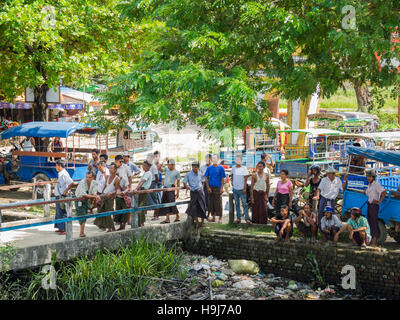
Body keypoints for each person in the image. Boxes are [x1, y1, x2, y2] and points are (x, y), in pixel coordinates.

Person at [360, 169, 386, 247]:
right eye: (367, 176)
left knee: (374, 223)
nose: (368, 178)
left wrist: (379, 202)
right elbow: (367, 193)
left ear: (373, 177)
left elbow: (383, 192)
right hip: (370, 205)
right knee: (370, 223)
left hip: (374, 206)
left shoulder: (376, 185)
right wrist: (358, 191)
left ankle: (374, 242)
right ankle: (371, 241)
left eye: (369, 177)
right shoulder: (369, 185)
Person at [94, 163, 118, 232]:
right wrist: (101, 195)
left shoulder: (117, 179)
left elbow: (116, 190)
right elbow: (105, 186)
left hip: (110, 197)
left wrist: (111, 193)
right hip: (104, 195)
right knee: (101, 210)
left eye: (112, 168)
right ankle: (106, 226)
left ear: (115, 170)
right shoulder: (107, 177)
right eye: (109, 168)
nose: (110, 170)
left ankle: (112, 228)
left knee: (108, 212)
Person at [183, 161, 208, 228]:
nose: (195, 168)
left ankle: (202, 222)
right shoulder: (188, 174)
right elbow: (184, 182)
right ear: (192, 167)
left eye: (196, 167)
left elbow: (203, 181)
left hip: (200, 192)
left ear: (198, 167)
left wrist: (202, 189)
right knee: (193, 208)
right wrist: (187, 187)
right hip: (193, 192)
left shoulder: (200, 174)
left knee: (203, 207)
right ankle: (197, 222)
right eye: (194, 167)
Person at [75, 171, 98, 237]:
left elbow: (94, 193)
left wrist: (94, 198)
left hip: (87, 199)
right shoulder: (82, 182)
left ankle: (90, 209)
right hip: (80, 199)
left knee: (85, 214)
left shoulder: (94, 183)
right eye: (86, 177)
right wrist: (95, 196)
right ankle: (81, 232)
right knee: (82, 215)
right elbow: (84, 195)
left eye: (89, 177)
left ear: (93, 177)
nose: (87, 179)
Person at [54, 160, 74, 235]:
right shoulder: (61, 174)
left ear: (59, 166)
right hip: (59, 195)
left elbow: (71, 182)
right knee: (59, 212)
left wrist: (65, 191)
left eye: (56, 165)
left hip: (62, 196)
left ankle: (64, 229)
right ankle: (60, 228)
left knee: (62, 212)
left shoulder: (63, 174)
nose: (56, 167)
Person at [204, 155, 226, 223]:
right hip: (211, 187)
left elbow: (222, 178)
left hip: (218, 187)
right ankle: (213, 217)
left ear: (218, 159)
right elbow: (206, 178)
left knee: (218, 202)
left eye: (216, 158)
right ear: (211, 159)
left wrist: (222, 188)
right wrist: (208, 187)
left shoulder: (221, 168)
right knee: (211, 203)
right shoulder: (209, 168)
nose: (214, 159)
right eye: (213, 158)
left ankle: (220, 218)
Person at [159, 159, 181, 224]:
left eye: (169, 165)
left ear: (173, 165)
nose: (168, 166)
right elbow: (159, 168)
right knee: (165, 203)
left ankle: (177, 216)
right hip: (165, 188)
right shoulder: (166, 169)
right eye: (168, 165)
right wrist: (163, 161)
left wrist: (177, 192)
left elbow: (178, 182)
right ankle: (167, 218)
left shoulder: (176, 172)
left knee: (172, 202)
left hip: (171, 189)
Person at [132, 160, 153, 227]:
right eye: (143, 165)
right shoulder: (146, 173)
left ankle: (140, 222)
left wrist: (136, 189)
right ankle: (141, 222)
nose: (143, 167)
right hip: (142, 190)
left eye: (144, 166)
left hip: (143, 190)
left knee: (140, 206)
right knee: (141, 206)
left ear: (148, 167)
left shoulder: (147, 173)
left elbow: (142, 182)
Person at [231, 155, 250, 224]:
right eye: (236, 160)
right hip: (235, 189)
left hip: (242, 189)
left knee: (244, 204)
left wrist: (245, 188)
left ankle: (247, 219)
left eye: (239, 160)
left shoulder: (244, 168)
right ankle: (238, 218)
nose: (237, 161)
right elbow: (232, 175)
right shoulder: (233, 168)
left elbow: (245, 179)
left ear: (241, 161)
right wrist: (232, 182)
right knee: (237, 204)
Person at [146, 153, 160, 220]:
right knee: (148, 198)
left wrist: (155, 183)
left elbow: (156, 176)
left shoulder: (153, 166)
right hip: (148, 183)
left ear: (151, 158)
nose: (147, 159)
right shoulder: (147, 166)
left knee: (154, 198)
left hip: (153, 183)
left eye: (148, 157)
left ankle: (156, 215)